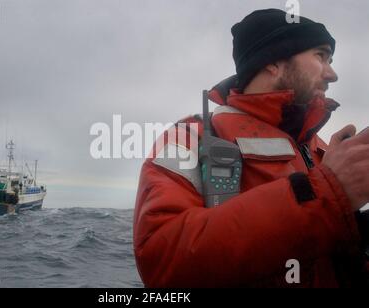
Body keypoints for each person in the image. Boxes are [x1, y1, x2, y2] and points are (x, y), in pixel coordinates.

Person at [133, 8, 369, 288]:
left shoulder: (320, 148)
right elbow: (162, 260)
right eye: (320, 56)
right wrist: (328, 192)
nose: (332, 74)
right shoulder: (187, 139)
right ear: (273, 63)